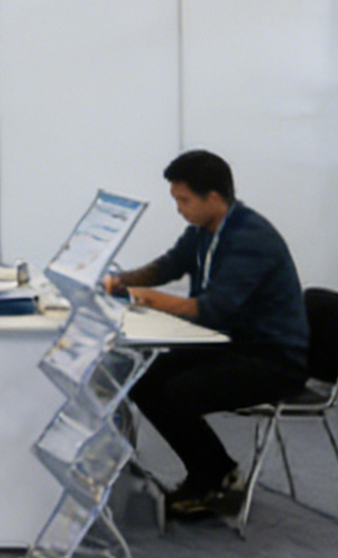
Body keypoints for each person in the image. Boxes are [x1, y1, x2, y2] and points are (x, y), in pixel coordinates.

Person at [101, 150, 310, 519]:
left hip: (273, 359)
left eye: (184, 200)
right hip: (232, 343)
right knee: (143, 377)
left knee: (176, 394)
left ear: (213, 197)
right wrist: (119, 281)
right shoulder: (205, 230)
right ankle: (212, 471)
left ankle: (217, 479)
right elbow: (168, 266)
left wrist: (147, 298)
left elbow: (213, 310)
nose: (179, 209)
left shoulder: (250, 238)